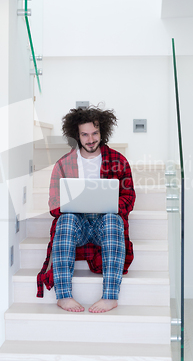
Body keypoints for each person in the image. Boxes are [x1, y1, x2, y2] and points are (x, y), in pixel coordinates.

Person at [36, 106, 135, 313]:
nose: (91, 139)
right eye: (85, 134)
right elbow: (53, 204)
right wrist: (69, 205)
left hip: (103, 226)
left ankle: (110, 296)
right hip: (77, 226)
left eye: (95, 133)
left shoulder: (118, 161)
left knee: (113, 220)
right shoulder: (63, 164)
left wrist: (110, 206)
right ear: (77, 135)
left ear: (102, 132)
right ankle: (63, 296)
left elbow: (129, 197)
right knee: (65, 220)